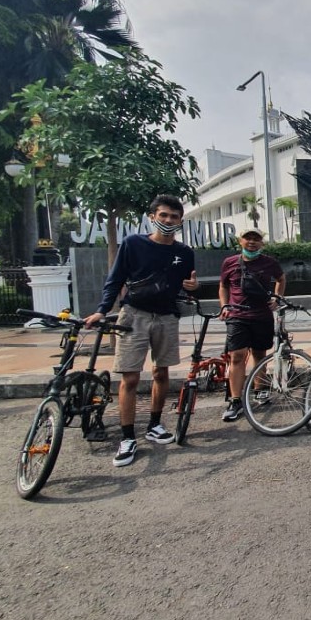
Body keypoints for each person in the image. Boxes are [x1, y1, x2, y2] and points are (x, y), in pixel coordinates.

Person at [85, 195, 198, 468]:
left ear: (181, 221)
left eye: (174, 217)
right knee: (130, 378)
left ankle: (155, 424)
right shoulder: (133, 244)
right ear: (152, 217)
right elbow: (116, 279)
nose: (168, 221)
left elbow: (186, 285)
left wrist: (193, 289)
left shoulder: (184, 253)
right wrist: (102, 309)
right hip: (134, 314)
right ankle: (127, 437)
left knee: (162, 372)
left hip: (167, 317)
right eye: (163, 215)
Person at [218, 227, 285, 422]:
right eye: (248, 238)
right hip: (237, 314)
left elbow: (281, 278)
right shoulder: (229, 263)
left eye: (256, 239)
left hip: (262, 314)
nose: (252, 242)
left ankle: (260, 388)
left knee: (259, 354)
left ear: (262, 243)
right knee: (237, 356)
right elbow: (223, 285)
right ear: (240, 241)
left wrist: (278, 298)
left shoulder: (269, 263)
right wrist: (224, 306)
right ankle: (236, 400)